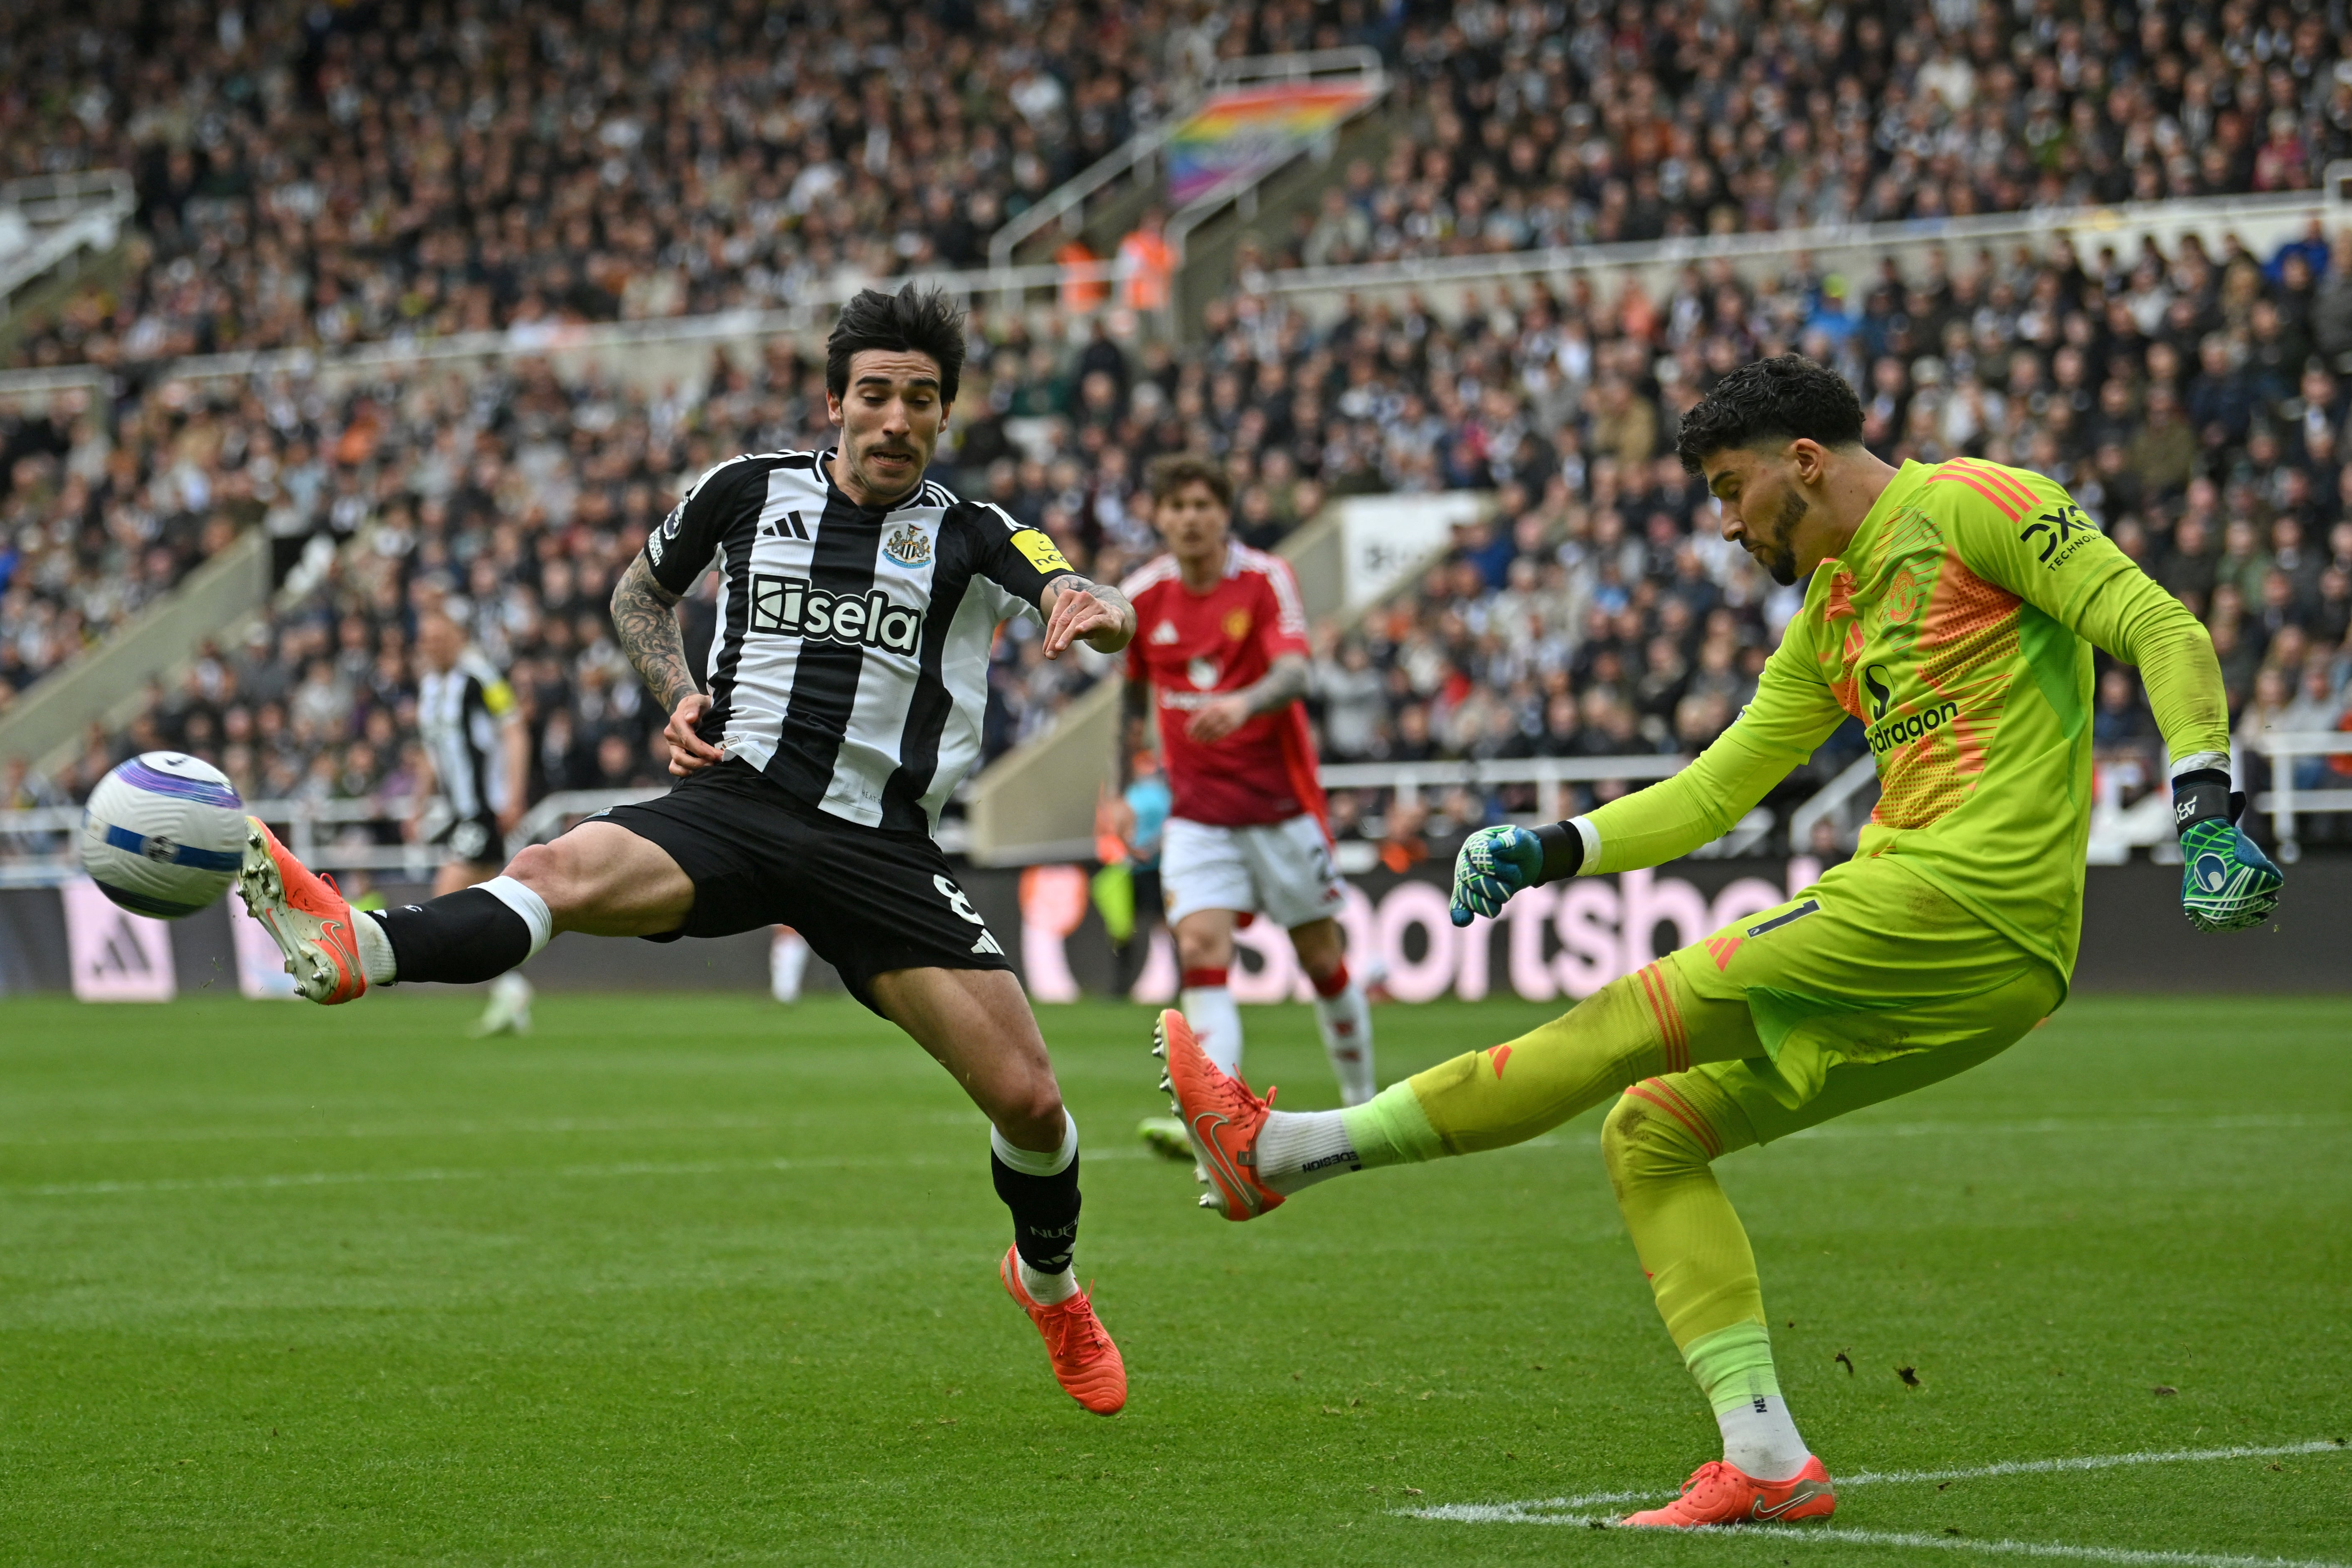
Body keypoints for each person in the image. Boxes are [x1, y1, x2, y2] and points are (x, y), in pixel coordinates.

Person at [1158, 355, 2283, 1527]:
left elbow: (2159, 625)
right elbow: (1711, 792)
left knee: (1626, 1018)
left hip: (1954, 898)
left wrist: (2205, 808)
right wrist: (1555, 845)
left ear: (1802, 462)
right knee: (1651, 1134)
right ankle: (1766, 1454)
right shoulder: (1832, 612)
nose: (1724, 523)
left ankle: (1285, 1151)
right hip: (1998, 971)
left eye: (1727, 488)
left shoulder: (1974, 505)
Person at [235, 286, 1140, 1415]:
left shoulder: (973, 530)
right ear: (835, 401)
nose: (896, 419)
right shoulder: (743, 490)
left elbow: (1068, 582)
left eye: (921, 400)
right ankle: (359, 940)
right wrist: (676, 690)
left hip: (882, 851)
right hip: (739, 803)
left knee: (1033, 1103)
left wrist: (1085, 606)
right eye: (876, 395)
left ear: (944, 416)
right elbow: (638, 593)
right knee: (558, 869)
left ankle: (1046, 1282)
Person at [1120, 454, 1376, 1177]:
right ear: (1159, 517)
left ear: (1223, 510)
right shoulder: (1143, 596)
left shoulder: (1264, 580)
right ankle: (1222, 1129)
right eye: (1177, 506)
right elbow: (1130, 697)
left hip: (1277, 810)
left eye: (1203, 504)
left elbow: (1297, 672)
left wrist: (1244, 701)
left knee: (1319, 958)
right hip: (1196, 817)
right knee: (1201, 951)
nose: (1191, 518)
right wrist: (1116, 786)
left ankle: (1361, 1102)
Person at [410, 611, 534, 1035]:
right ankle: (509, 993)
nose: (432, 646)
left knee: (447, 896)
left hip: (485, 809)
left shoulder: (481, 677)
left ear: (458, 637)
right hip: (458, 812)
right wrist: (417, 804)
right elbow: (431, 751)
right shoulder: (429, 688)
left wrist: (514, 795)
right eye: (426, 639)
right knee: (485, 903)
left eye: (440, 638)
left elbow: (515, 731)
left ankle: (509, 987)